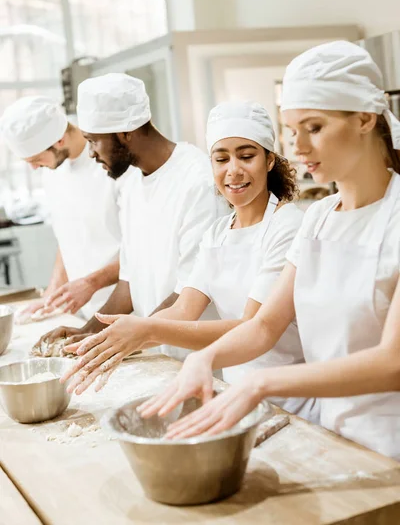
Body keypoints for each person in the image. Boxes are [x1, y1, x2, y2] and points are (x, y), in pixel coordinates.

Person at [136, 41, 400, 461]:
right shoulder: (319, 217)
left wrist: (260, 384)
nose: (299, 147)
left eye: (313, 128)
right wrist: (203, 359)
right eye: (292, 131)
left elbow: (392, 363)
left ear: (366, 118)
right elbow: (263, 327)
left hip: (390, 444)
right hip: (329, 436)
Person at [61, 101, 317, 422]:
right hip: (236, 394)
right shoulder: (217, 233)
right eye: (221, 159)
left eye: (247, 156)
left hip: (293, 400)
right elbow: (184, 309)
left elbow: (252, 326)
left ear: (269, 160)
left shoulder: (289, 226)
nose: (233, 170)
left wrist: (147, 329)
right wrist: (114, 342)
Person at [35, 73, 224, 358]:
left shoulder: (197, 181)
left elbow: (190, 290)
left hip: (199, 360)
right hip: (157, 351)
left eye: (94, 142)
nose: (91, 154)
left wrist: (122, 338)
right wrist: (89, 331)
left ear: (125, 133)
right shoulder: (132, 183)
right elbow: (129, 281)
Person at [0, 96, 123, 320]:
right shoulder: (53, 170)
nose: (35, 168)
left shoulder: (114, 167)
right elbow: (68, 235)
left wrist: (90, 283)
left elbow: (144, 250)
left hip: (127, 308)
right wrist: (52, 293)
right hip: (83, 310)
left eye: (36, 159)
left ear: (59, 140)